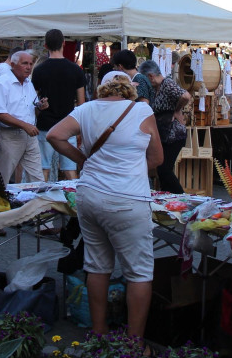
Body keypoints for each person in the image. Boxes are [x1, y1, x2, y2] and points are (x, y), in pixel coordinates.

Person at [46, 72, 162, 342]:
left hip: (90, 195)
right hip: (127, 199)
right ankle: (133, 345)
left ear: (103, 90)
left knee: (97, 266)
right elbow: (156, 158)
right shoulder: (141, 110)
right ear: (128, 91)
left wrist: (83, 159)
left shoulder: (86, 109)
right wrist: (128, 170)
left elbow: (54, 135)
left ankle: (99, 333)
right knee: (139, 272)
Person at [32, 29, 86, 181]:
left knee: (44, 167)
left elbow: (32, 100)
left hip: (45, 125)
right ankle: (74, 202)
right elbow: (81, 103)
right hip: (68, 125)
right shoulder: (76, 70)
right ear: (63, 43)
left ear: (45, 45)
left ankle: (42, 202)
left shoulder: (39, 71)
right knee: (70, 169)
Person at [0, 51, 46, 184]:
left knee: (37, 177)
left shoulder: (28, 83)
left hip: (30, 136)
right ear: (13, 65)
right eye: (24, 63)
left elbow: (31, 110)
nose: (29, 67)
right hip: (11, 136)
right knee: (3, 178)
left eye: (31, 64)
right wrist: (24, 125)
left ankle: (37, 203)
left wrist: (40, 107)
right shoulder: (2, 83)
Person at [138, 59, 191, 194]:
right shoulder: (159, 87)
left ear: (150, 76)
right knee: (162, 169)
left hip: (173, 134)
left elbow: (185, 96)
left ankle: (178, 196)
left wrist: (176, 110)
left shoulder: (167, 84)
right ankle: (170, 196)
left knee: (164, 168)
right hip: (165, 134)